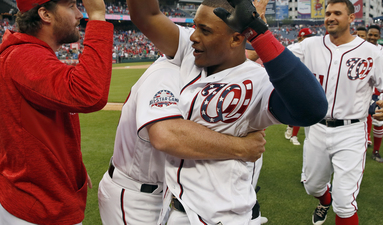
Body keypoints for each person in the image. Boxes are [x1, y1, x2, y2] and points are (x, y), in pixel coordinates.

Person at [120, 0, 328, 224]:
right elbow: (147, 16)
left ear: (237, 37)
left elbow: (313, 109)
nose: (193, 36)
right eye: (194, 26)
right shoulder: (190, 53)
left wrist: (260, 32)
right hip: (175, 209)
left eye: (205, 30)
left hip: (226, 217)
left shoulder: (257, 81)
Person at [0, 0, 114, 224]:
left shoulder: (29, 53)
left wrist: (70, 165)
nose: (79, 14)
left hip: (42, 194)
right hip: (36, 204)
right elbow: (89, 94)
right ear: (45, 14)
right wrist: (97, 17)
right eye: (72, 5)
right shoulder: (24, 56)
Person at [98, 58, 266, 225]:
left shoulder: (199, 75)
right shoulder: (166, 72)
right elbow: (165, 136)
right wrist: (241, 147)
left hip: (165, 194)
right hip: (136, 196)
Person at [288, 0, 383, 225]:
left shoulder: (371, 52)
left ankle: (335, 203)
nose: (330, 17)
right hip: (317, 128)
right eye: (328, 13)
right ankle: (323, 200)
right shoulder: (309, 45)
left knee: (345, 202)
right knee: (312, 186)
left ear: (351, 18)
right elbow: (277, 57)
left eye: (337, 13)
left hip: (351, 131)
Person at [284, 27, 315, 146]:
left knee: (302, 110)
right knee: (297, 110)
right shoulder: (292, 48)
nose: (308, 40)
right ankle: (292, 131)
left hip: (307, 82)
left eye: (310, 37)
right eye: (306, 37)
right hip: (294, 83)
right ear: (300, 37)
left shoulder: (312, 50)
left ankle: (293, 133)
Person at [365, 25, 383, 163]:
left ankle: (376, 151)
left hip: (378, 91)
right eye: (370, 35)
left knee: (378, 121)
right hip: (362, 90)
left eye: (375, 35)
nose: (372, 38)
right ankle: (361, 148)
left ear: (379, 36)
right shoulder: (359, 47)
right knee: (360, 120)